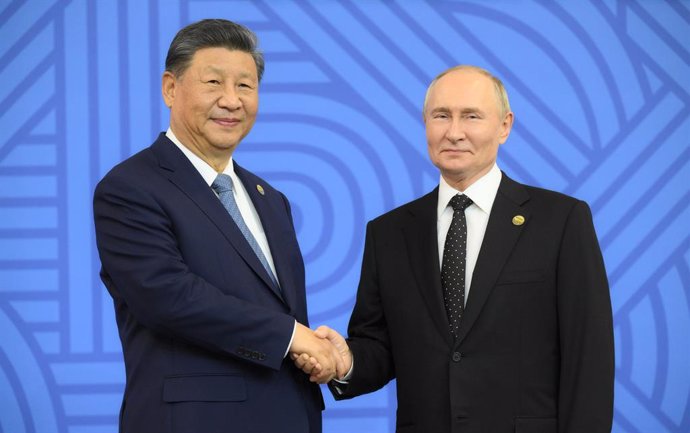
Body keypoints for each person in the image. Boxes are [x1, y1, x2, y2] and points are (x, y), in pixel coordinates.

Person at [296, 65, 615, 432]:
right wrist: (345, 360)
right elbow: (381, 348)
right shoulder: (389, 232)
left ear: (505, 126)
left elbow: (588, 358)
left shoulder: (561, 221)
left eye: (472, 116)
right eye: (441, 116)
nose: (454, 132)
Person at [93, 19, 344, 433]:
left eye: (245, 86)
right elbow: (167, 296)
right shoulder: (130, 187)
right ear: (170, 88)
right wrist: (290, 336)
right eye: (213, 82)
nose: (232, 100)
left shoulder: (270, 198)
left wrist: (312, 352)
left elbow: (280, 312)